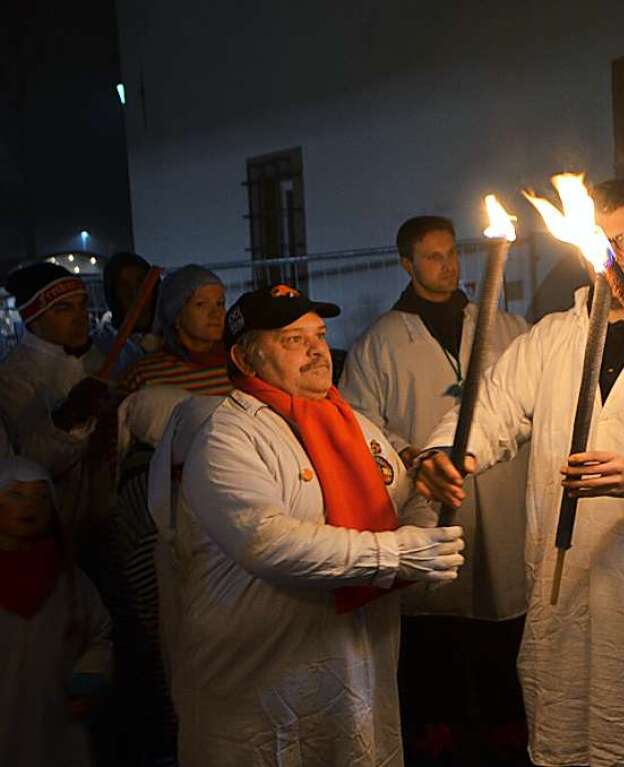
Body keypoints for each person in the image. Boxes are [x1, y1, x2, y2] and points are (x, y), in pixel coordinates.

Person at [417, 179, 624, 766]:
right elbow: (490, 409)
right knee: (571, 741)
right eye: (604, 240)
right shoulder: (552, 338)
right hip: (567, 602)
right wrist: (445, 451)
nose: (617, 252)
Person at [163, 284, 465, 766]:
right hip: (260, 691)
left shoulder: (357, 427)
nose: (317, 349)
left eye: (319, 334)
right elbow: (268, 542)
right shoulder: (230, 437)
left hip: (359, 681)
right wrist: (399, 554)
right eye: (292, 339)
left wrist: (430, 509)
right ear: (244, 358)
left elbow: (405, 501)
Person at [339, 215, 530, 757]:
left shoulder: (504, 327)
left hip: (501, 491)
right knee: (439, 623)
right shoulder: (380, 343)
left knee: (501, 615)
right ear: (406, 263)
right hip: (428, 496)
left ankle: (506, 734)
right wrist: (408, 454)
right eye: (432, 257)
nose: (447, 266)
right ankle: (439, 736)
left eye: (451, 254)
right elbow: (360, 420)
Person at [0, 457, 112, 767]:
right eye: (16, 494)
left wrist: (88, 678)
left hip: (53, 727)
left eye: (41, 496)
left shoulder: (71, 581)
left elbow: (99, 636)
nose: (30, 505)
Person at [0, 263, 112, 537]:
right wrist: (68, 417)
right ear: (33, 319)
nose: (80, 318)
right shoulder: (14, 376)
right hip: (58, 529)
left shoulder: (97, 358)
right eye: (63, 309)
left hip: (110, 518)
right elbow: (29, 465)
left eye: (82, 306)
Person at [120, 264, 232, 396]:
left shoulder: (239, 366)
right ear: (176, 315)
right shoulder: (145, 375)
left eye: (220, 303)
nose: (216, 313)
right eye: (201, 304)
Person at [94, 251, 162, 376]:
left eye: (141, 282)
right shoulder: (99, 347)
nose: (135, 293)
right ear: (112, 294)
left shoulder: (177, 337)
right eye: (123, 285)